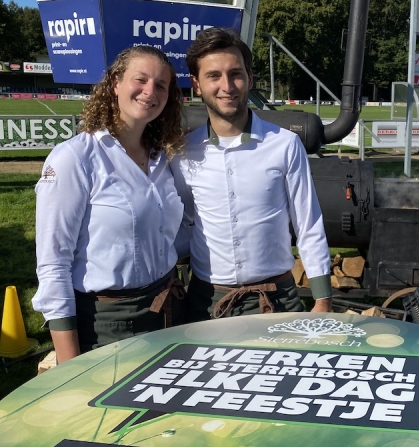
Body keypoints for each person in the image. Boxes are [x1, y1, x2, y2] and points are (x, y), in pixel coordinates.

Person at [33, 45, 186, 364]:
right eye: (140, 80)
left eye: (161, 85)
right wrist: (69, 363)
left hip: (169, 311)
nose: (150, 91)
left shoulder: (163, 159)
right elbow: (54, 263)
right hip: (107, 324)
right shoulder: (75, 158)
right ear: (115, 83)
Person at [171, 27, 332, 320]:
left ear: (250, 78)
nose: (227, 86)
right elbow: (185, 221)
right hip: (208, 304)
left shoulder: (285, 144)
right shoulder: (183, 152)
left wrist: (323, 300)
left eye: (235, 74)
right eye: (213, 76)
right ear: (196, 84)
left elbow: (308, 224)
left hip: (277, 299)